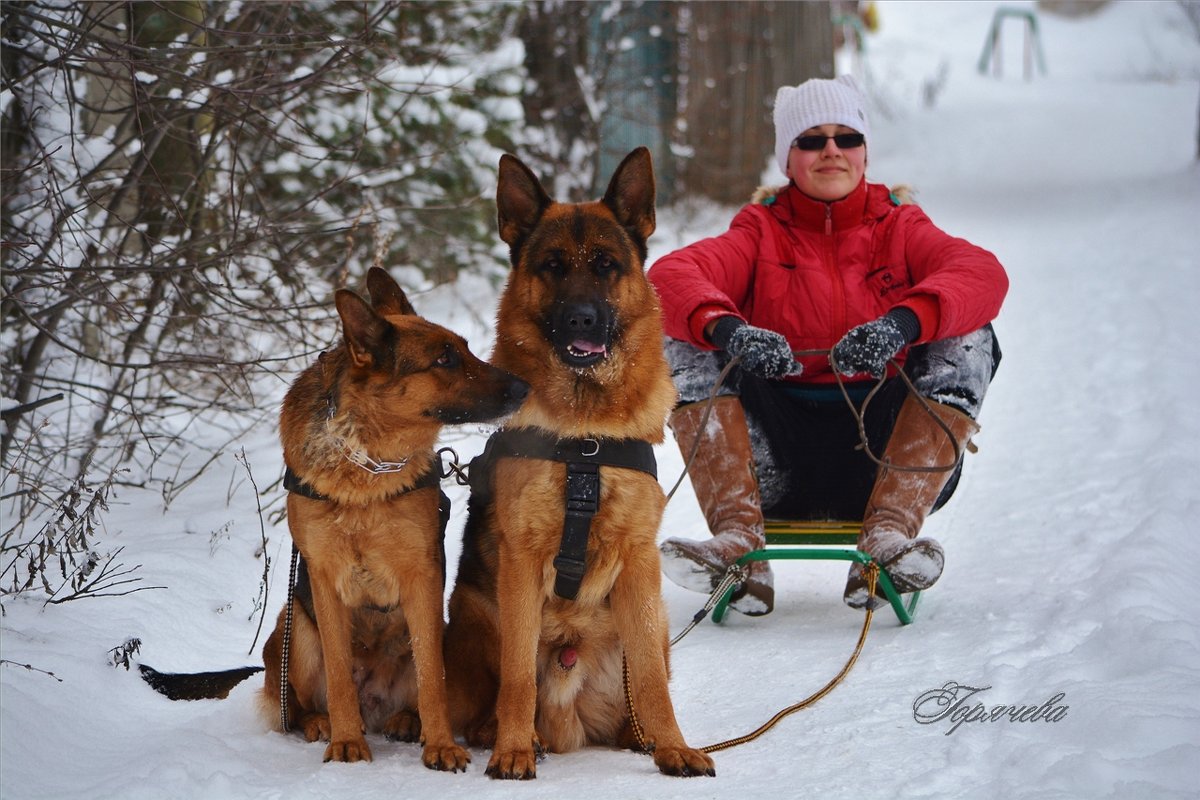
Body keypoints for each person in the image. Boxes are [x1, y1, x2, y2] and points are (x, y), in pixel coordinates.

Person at [647, 75, 1007, 616]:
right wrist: (730, 330)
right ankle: (739, 545)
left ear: (865, 153)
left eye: (847, 137)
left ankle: (886, 542)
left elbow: (982, 272)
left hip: (881, 455)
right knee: (684, 336)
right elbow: (671, 275)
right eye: (811, 140)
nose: (831, 150)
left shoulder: (901, 226)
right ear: (788, 160)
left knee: (969, 334)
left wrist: (903, 324)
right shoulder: (759, 231)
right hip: (774, 459)